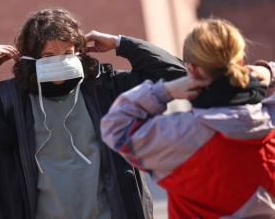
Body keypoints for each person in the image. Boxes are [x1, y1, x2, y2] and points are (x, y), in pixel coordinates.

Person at [0, 7, 187, 219]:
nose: (61, 61)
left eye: (68, 53)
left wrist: (122, 44)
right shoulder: (4, 103)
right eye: (49, 55)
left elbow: (177, 76)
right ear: (30, 58)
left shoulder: (108, 90)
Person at [101, 18, 275, 218]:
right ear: (241, 62)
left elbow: (116, 126)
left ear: (191, 69)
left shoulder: (179, 135)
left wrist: (164, 91)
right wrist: (268, 72)